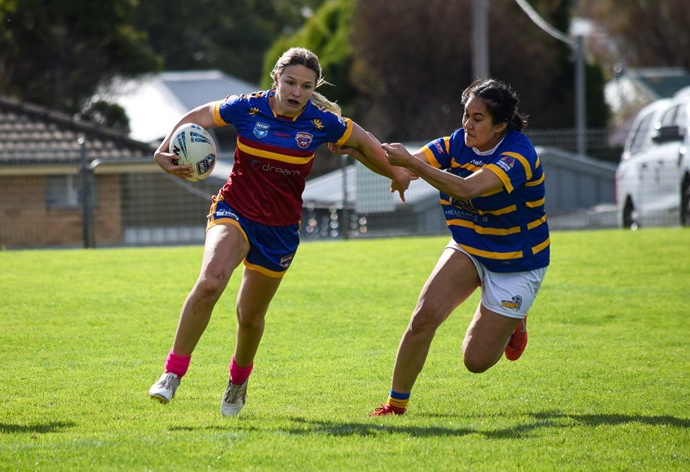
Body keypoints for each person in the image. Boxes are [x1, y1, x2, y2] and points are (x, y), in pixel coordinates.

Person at [148, 47, 414, 416]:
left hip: (280, 230)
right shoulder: (247, 107)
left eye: (305, 86)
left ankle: (237, 383)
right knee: (211, 281)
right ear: (276, 78)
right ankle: (172, 374)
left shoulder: (322, 122)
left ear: (313, 88)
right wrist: (162, 151)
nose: (296, 92)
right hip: (235, 210)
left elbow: (364, 143)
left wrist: (397, 173)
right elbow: (197, 116)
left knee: (250, 316)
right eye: (290, 82)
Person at [355, 79, 549, 416]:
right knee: (423, 316)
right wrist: (352, 143)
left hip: (517, 262)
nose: (467, 125)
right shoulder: (457, 142)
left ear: (500, 125)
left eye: (478, 118)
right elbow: (402, 164)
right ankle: (395, 405)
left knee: (475, 361)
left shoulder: (518, 154)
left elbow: (466, 189)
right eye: (466, 114)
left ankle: (515, 322)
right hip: (469, 245)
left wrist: (412, 167)